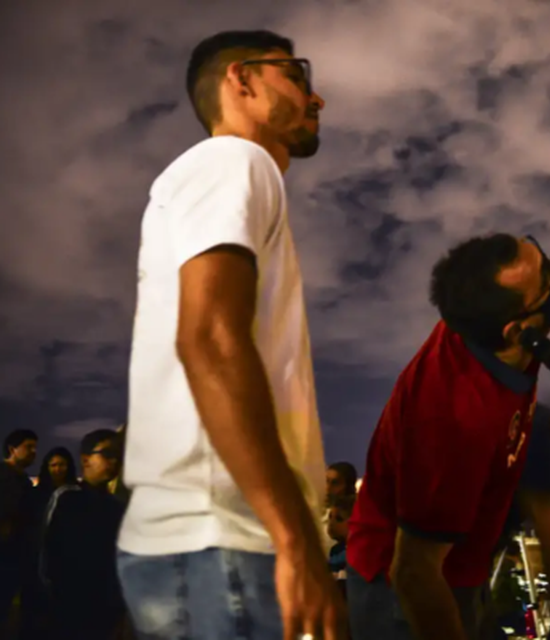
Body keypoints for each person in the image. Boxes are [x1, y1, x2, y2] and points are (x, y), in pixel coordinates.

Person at [116, 29, 345, 640]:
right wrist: (293, 539)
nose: (316, 97)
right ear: (241, 80)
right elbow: (211, 340)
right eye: (296, 75)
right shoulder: (233, 160)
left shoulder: (224, 174)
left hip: (211, 542)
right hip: (228, 540)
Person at [345, 233, 550, 640]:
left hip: (463, 568)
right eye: (546, 280)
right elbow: (413, 573)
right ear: (517, 330)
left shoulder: (485, 326)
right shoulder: (451, 421)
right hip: (404, 595)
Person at [42, 430, 126, 639]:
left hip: (104, 612)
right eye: (108, 454)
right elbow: (44, 553)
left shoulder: (117, 507)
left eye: (119, 455)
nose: (115, 460)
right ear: (85, 459)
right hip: (67, 610)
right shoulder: (66, 498)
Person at [19, 447, 80, 640]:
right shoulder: (36, 494)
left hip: (65, 561)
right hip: (35, 558)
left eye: (62, 464)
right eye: (53, 465)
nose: (58, 469)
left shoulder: (77, 495)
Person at [0, 429, 38, 629]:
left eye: (35, 447)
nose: (33, 452)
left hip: (16, 556)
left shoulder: (24, 481)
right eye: (28, 447)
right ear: (12, 449)